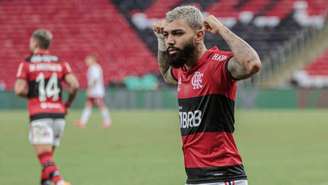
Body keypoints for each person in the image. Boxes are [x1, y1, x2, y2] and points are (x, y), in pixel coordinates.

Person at [153, 6, 261, 185]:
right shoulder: (184, 71)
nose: (170, 40)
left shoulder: (217, 65)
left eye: (178, 33)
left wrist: (221, 29)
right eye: (167, 35)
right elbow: (166, 73)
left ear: (199, 35)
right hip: (196, 178)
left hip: (222, 177)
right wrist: (160, 40)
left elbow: (252, 64)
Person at [15, 29, 79, 185]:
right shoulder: (60, 62)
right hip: (59, 115)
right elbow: (75, 85)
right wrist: (67, 104)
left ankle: (59, 182)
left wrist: (34, 94)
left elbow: (18, 89)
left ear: (36, 43)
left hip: (40, 115)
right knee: (48, 161)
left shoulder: (27, 63)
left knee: (44, 157)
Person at [75, 54, 112, 128]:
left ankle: (107, 122)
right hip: (94, 91)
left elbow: (95, 79)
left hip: (96, 91)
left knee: (101, 105)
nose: (86, 61)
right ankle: (82, 122)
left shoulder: (95, 68)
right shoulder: (92, 68)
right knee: (88, 105)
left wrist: (90, 89)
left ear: (93, 60)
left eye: (88, 59)